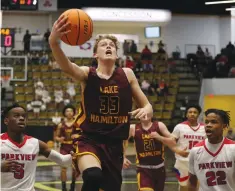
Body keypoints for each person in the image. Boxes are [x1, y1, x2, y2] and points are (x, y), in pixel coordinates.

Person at [49, 15, 153, 191]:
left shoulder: (127, 74)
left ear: (116, 53)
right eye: (104, 45)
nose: (109, 47)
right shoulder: (87, 74)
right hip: (89, 138)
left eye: (112, 45)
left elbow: (147, 105)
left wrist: (146, 110)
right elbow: (67, 66)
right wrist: (53, 42)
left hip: (114, 143)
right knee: (92, 175)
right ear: (95, 53)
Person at [0, 103, 73, 191]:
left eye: (24, 116)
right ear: (6, 121)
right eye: (16, 116)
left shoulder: (35, 143)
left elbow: (63, 161)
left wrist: (76, 155)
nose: (22, 118)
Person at [123, 117, 189, 191]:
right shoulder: (133, 127)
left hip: (159, 169)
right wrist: (123, 157)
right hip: (143, 169)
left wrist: (160, 137)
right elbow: (123, 141)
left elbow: (172, 141)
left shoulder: (159, 125)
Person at [188, 109, 235, 191]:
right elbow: (192, 182)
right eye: (206, 122)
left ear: (223, 126)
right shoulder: (195, 150)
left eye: (213, 122)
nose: (208, 125)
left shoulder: (233, 148)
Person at [172, 104, 206, 191]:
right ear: (186, 114)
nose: (192, 114)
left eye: (195, 112)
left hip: (199, 162)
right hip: (182, 162)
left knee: (196, 187)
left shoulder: (204, 128)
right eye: (190, 112)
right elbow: (171, 142)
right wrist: (178, 151)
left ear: (198, 115)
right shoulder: (179, 127)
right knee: (184, 186)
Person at [55, 105, 78, 191]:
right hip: (64, 147)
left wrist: (77, 137)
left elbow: (81, 135)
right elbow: (56, 137)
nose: (69, 112)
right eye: (67, 111)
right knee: (63, 168)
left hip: (74, 147)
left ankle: (72, 186)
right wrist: (59, 139)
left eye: (71, 111)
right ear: (64, 113)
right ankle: (64, 187)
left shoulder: (76, 124)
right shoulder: (61, 125)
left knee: (74, 168)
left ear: (73, 113)